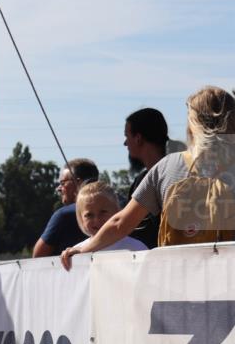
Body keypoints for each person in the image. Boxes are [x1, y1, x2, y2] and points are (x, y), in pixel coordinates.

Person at [62, 86, 235, 270]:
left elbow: (120, 223)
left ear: (192, 126)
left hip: (181, 280)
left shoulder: (167, 167)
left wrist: (83, 249)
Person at [32, 158, 100, 257]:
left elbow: (38, 256)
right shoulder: (119, 209)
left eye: (63, 183)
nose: (59, 188)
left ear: (78, 183)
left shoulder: (63, 216)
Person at [123, 108, 169, 249]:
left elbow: (122, 224)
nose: (125, 143)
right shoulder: (139, 181)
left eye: (127, 136)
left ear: (138, 139)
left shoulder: (172, 175)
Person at [74, 182, 147, 252]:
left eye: (103, 212)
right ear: (81, 218)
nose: (97, 220)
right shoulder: (76, 253)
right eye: (89, 215)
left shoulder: (136, 248)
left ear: (117, 212)